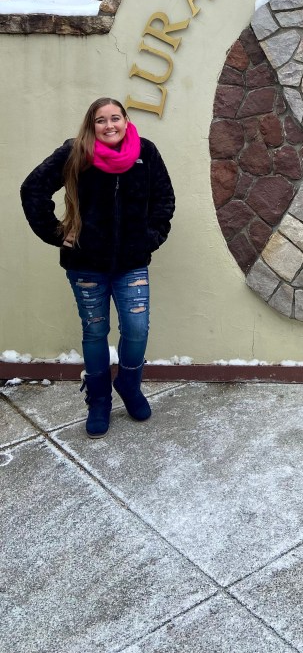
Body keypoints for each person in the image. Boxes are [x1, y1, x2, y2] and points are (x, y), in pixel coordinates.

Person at [20, 97, 175, 438]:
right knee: (95, 331)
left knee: (137, 328)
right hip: (86, 265)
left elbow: (164, 199)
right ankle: (99, 400)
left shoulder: (145, 152)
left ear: (125, 120)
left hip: (132, 263)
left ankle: (129, 385)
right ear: (92, 125)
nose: (109, 125)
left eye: (115, 118)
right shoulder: (76, 152)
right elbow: (33, 189)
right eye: (100, 120)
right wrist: (56, 233)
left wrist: (148, 239)